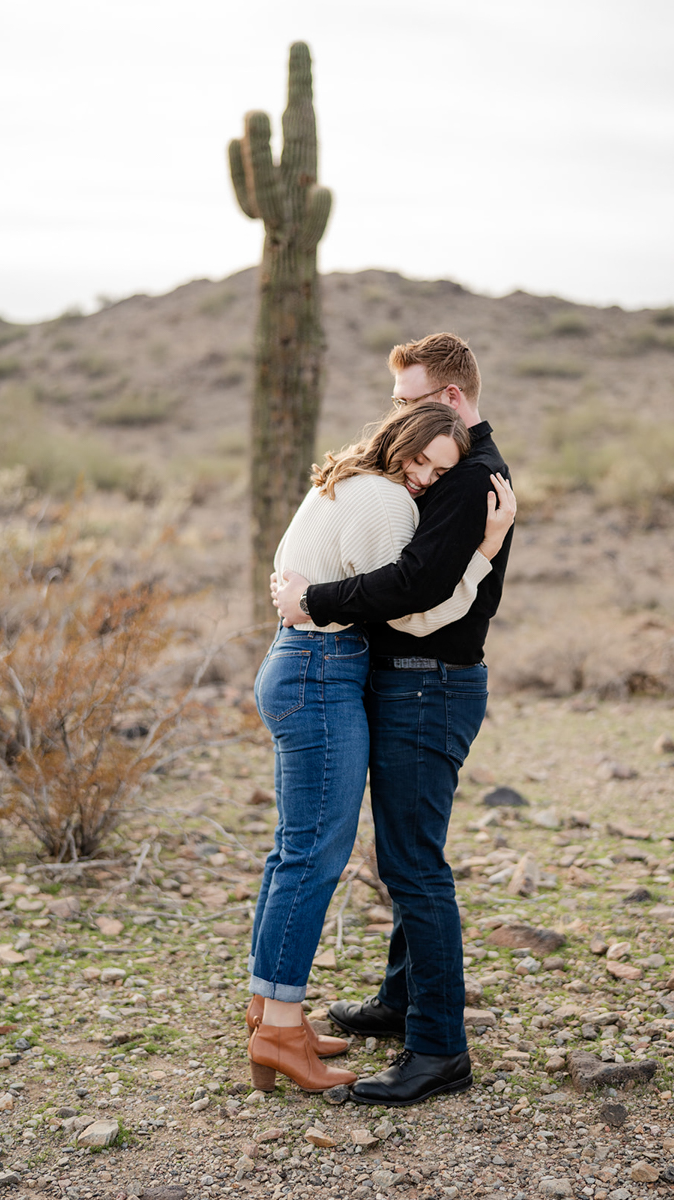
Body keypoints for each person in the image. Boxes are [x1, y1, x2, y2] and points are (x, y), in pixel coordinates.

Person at [247, 399, 515, 1095]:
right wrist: (484, 555)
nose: (425, 477)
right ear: (399, 440)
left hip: (299, 662)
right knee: (315, 854)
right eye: (421, 458)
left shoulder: (341, 479)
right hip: (322, 671)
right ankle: (277, 1025)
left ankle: (272, 1015)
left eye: (440, 468)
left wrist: (310, 599)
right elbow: (414, 611)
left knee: (296, 849)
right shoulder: (390, 504)